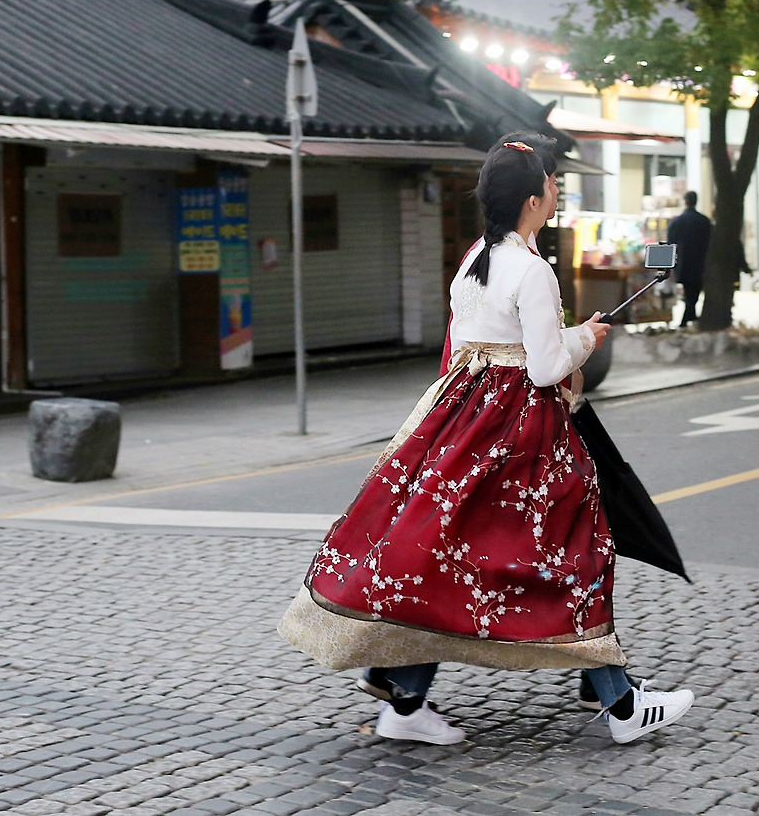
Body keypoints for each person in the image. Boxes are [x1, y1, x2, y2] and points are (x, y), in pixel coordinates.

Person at [279, 134, 695, 746]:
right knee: (575, 553)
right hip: (524, 437)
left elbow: (479, 346)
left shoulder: (476, 259)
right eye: (552, 183)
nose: (556, 190)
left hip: (458, 426)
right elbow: (546, 368)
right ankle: (622, 704)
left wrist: (565, 336)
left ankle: (405, 696)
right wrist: (584, 338)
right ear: (533, 199)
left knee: (452, 559)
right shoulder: (532, 270)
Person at [666, 191, 712, 326]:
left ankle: (688, 318)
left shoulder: (677, 221)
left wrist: (670, 265)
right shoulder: (704, 221)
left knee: (688, 292)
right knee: (694, 292)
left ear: (685, 201)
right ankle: (689, 317)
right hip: (700, 263)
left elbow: (670, 243)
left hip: (683, 264)